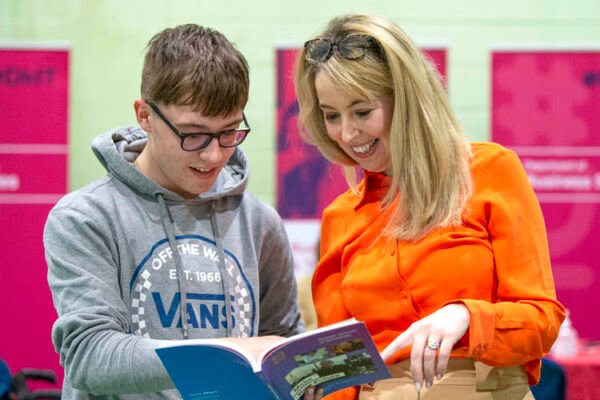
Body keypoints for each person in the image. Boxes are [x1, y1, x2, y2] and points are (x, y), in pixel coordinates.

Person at [295, 14, 565, 400]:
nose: (348, 133)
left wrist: (466, 316)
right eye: (331, 115)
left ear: (406, 98)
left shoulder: (490, 170)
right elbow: (341, 370)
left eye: (362, 111)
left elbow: (542, 320)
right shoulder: (340, 217)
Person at [43, 24, 303, 399]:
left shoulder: (260, 222)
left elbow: (281, 342)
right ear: (145, 116)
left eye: (229, 132)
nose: (213, 155)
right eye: (193, 135)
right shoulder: (84, 217)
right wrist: (226, 354)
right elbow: (91, 356)